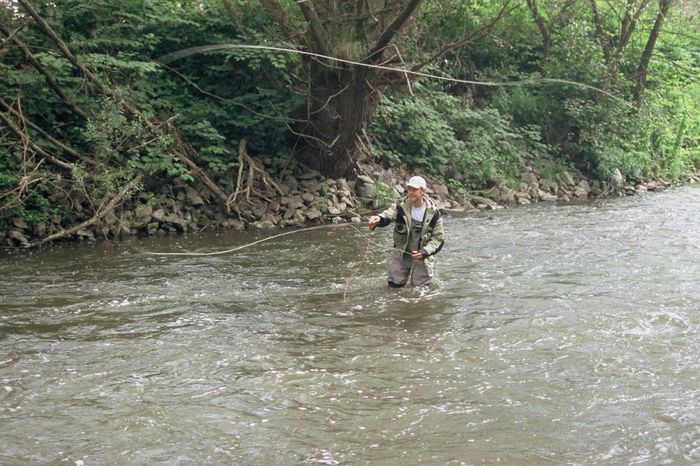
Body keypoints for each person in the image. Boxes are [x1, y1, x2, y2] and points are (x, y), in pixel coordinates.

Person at [368, 175, 445, 287]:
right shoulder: (400, 207)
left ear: (423, 191)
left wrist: (424, 252)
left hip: (422, 256)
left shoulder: (434, 214)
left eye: (414, 190)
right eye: (409, 189)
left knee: (420, 290)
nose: (410, 192)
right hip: (401, 251)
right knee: (394, 286)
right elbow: (388, 215)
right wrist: (379, 218)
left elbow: (438, 240)